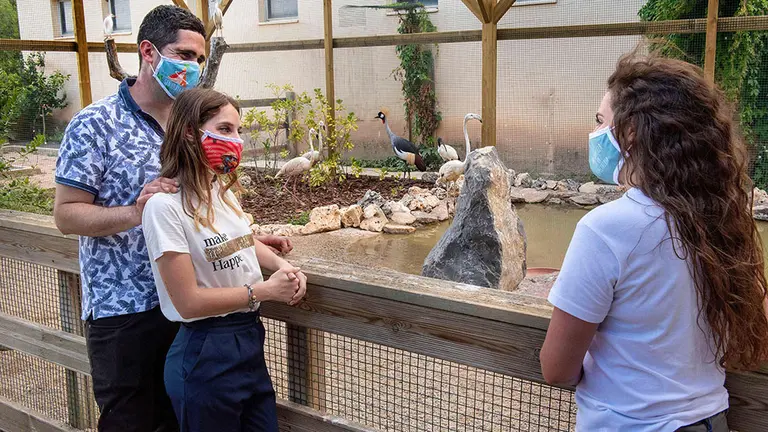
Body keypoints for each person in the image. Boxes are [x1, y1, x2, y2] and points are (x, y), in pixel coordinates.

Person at [53, 6, 291, 431]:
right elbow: (66, 215)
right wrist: (134, 213)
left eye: (199, 59)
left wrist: (242, 238)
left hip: (196, 316)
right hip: (125, 309)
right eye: (183, 55)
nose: (194, 67)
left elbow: (204, 206)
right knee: (135, 422)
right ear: (148, 52)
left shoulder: (194, 120)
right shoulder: (95, 124)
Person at [539, 53, 768, 431]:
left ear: (629, 133)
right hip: (711, 422)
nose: (595, 133)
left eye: (601, 122)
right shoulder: (720, 222)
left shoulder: (604, 229)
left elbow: (557, 368)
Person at [141, 87, 306, 431]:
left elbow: (243, 242)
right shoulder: (164, 208)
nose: (237, 141)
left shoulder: (222, 193)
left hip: (249, 341)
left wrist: (283, 267)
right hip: (204, 350)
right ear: (189, 132)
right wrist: (263, 291)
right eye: (225, 130)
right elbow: (187, 303)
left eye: (238, 131)